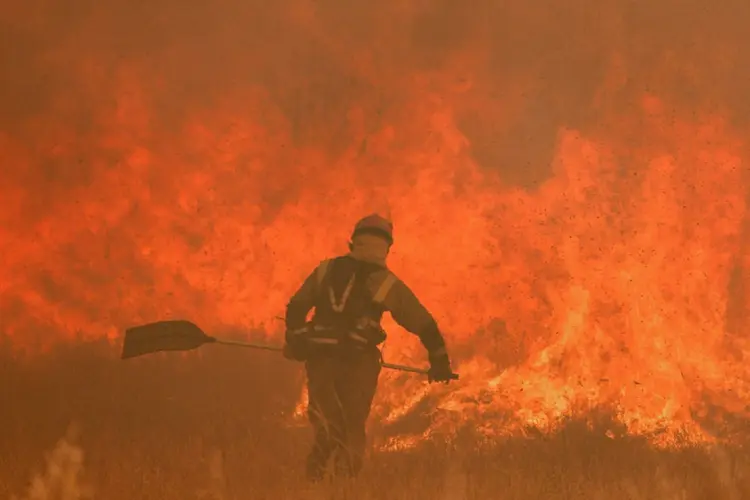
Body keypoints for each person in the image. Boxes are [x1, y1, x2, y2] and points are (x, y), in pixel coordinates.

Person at [282, 213, 455, 482]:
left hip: (321, 360)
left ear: (354, 241)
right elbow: (423, 323)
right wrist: (440, 361)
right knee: (352, 427)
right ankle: (344, 488)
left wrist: (296, 338)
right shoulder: (384, 281)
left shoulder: (326, 270)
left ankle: (312, 482)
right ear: (386, 246)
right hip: (360, 364)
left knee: (328, 425)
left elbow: (296, 307)